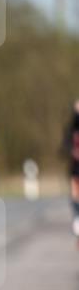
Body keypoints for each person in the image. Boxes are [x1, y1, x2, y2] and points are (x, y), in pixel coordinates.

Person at [61, 99, 79, 244]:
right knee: (74, 193)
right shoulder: (71, 129)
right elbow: (64, 146)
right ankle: (77, 218)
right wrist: (72, 151)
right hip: (75, 166)